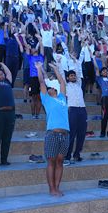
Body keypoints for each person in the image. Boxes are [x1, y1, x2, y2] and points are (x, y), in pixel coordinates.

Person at [36, 61, 69, 197]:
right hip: (53, 134)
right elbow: (41, 82)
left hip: (65, 134)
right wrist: (39, 68)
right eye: (48, 89)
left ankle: (57, 187)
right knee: (51, 161)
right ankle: (52, 189)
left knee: (60, 161)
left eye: (52, 88)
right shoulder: (46, 99)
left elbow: (62, 83)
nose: (50, 89)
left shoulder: (62, 98)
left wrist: (56, 69)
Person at [64, 66, 87, 164]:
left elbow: (78, 70)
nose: (73, 77)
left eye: (74, 75)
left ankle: (77, 155)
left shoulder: (79, 84)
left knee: (82, 134)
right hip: (72, 109)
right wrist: (59, 63)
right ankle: (67, 156)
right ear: (67, 77)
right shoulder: (65, 85)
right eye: (71, 76)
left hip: (82, 109)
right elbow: (61, 74)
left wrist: (75, 61)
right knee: (71, 133)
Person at [93, 54, 108, 138]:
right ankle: (103, 132)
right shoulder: (99, 79)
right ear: (101, 73)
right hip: (105, 98)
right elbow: (97, 68)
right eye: (103, 71)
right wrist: (93, 59)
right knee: (105, 116)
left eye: (106, 71)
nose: (105, 72)